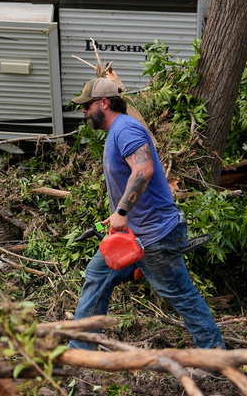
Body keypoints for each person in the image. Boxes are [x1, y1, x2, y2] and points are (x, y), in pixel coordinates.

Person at [69, 77, 224, 349]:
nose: (84, 111)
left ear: (104, 103)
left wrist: (122, 210)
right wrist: (119, 217)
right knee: (97, 276)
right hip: (131, 236)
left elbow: (144, 170)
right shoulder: (116, 132)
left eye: (87, 106)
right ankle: (80, 353)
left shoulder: (126, 129)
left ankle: (215, 359)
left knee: (181, 296)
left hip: (154, 237)